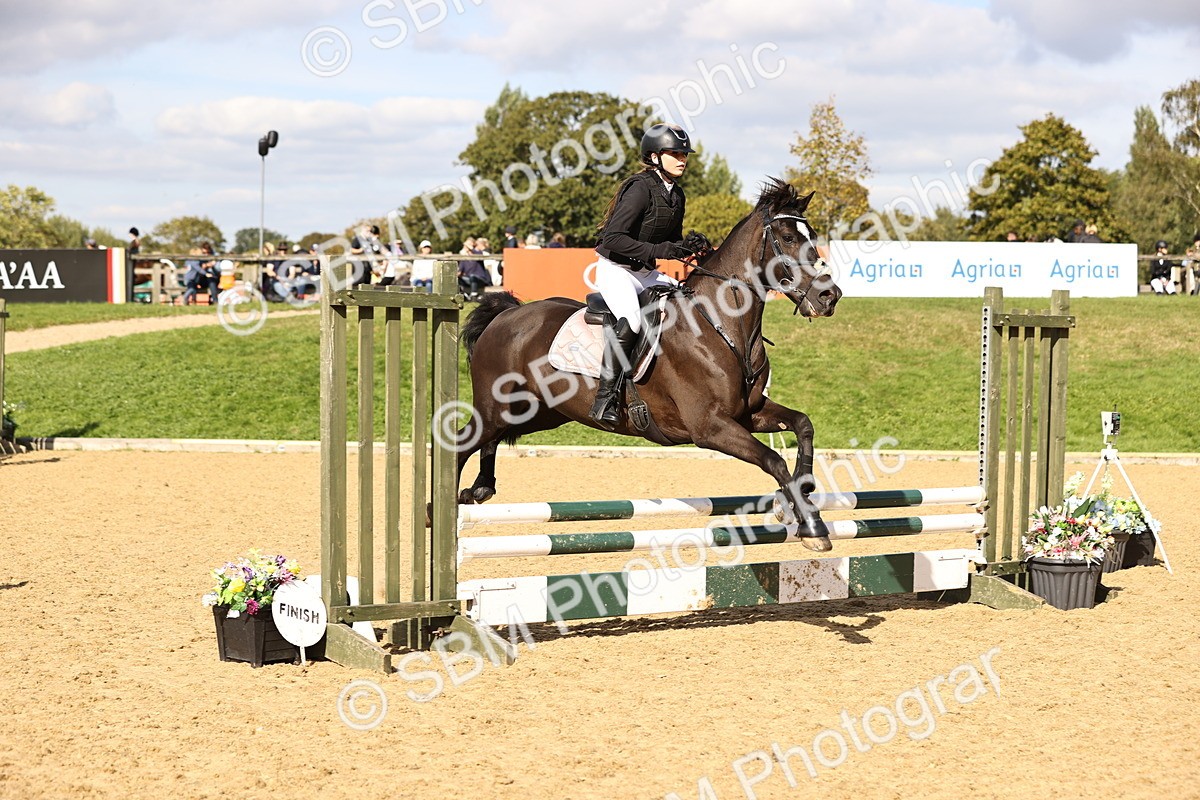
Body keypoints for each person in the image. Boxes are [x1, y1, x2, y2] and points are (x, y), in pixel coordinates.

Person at [587, 122, 707, 428]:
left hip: (645, 272)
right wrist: (665, 250)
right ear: (654, 156)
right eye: (675, 153)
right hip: (616, 270)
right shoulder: (640, 188)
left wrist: (688, 247)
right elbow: (612, 239)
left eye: (684, 153)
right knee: (633, 318)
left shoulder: (677, 195)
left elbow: (670, 243)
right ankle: (605, 399)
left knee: (688, 303)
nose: (683, 158)